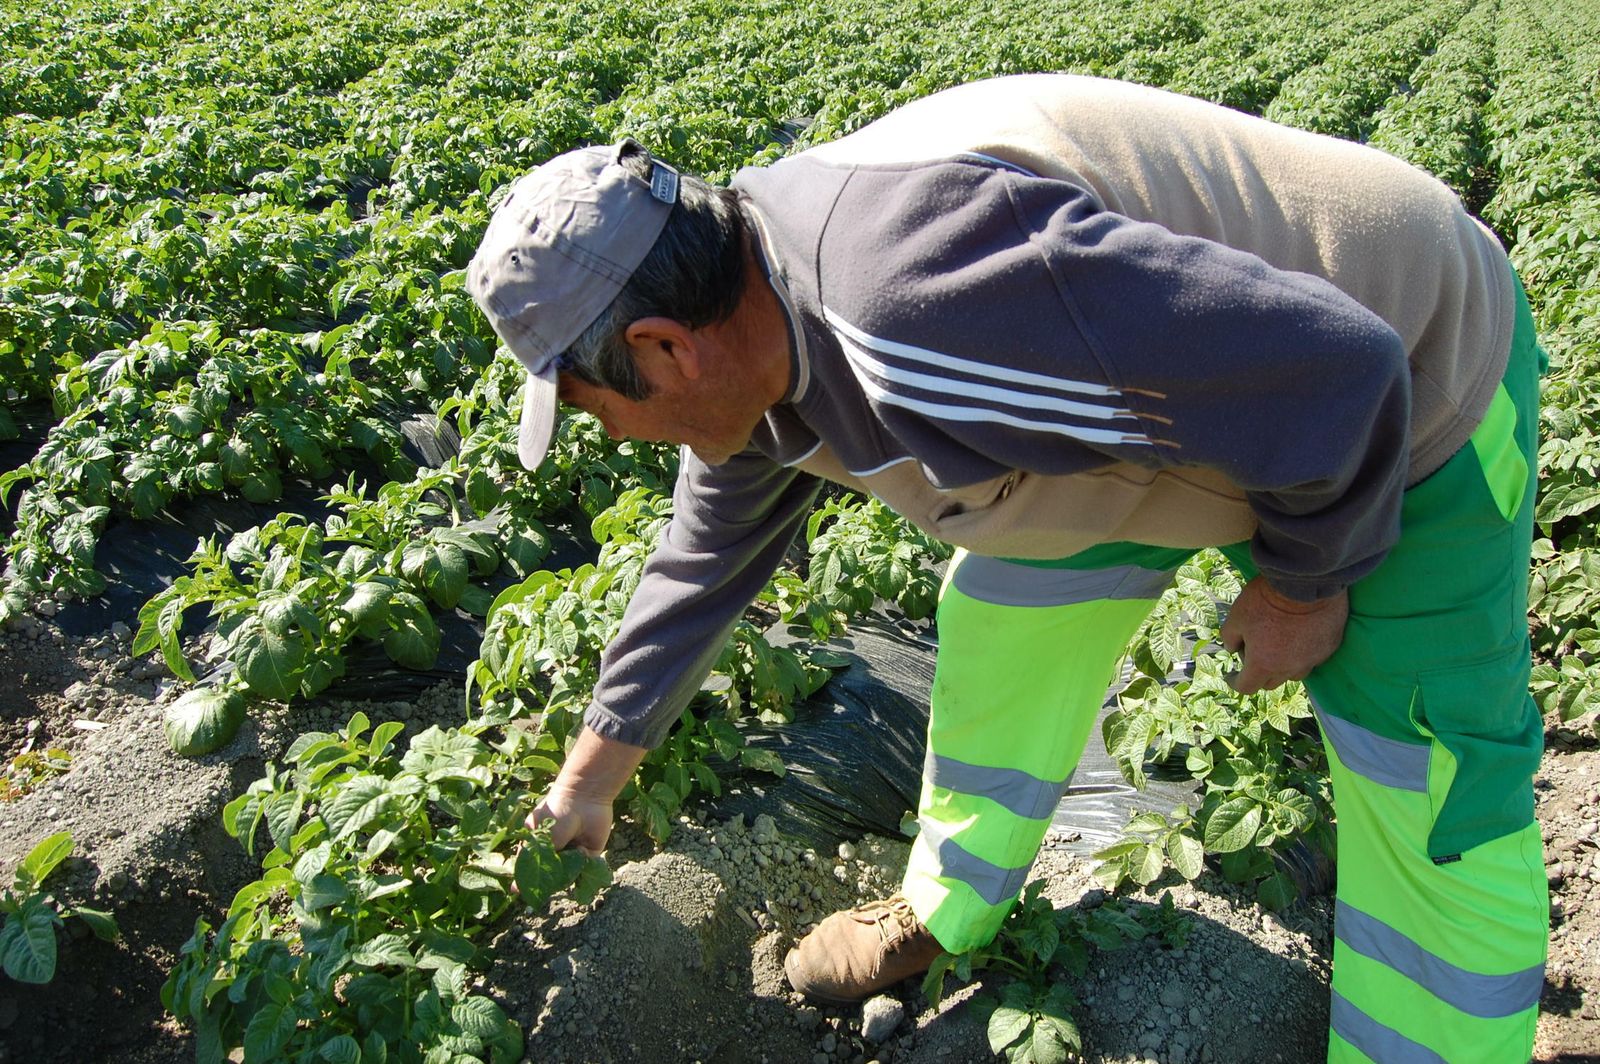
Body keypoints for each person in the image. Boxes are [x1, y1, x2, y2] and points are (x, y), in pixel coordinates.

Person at [465, 74, 1549, 1063]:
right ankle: (944, 911)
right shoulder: (752, 329)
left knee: (1424, 781)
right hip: (1180, 402)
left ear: (662, 348)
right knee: (1004, 609)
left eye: (584, 399)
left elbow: (1341, 374)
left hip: (1409, 384)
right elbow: (703, 557)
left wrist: (1302, 587)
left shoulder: (920, 307)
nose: (603, 434)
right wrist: (588, 783)